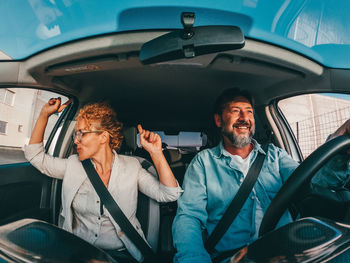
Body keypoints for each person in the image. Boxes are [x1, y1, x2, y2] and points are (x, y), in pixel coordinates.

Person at [172, 88, 350, 263]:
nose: (244, 118)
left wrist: (338, 141)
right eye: (235, 111)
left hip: (287, 252)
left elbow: (310, 183)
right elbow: (189, 217)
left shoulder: (275, 155)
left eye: (249, 112)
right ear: (219, 120)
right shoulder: (203, 162)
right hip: (233, 257)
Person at [24, 98, 182, 263]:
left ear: (103, 137)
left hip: (122, 255)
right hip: (79, 252)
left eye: (81, 134)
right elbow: (36, 157)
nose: (76, 140)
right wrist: (44, 114)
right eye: (75, 134)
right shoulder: (72, 164)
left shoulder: (133, 167)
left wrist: (156, 153)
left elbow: (169, 194)